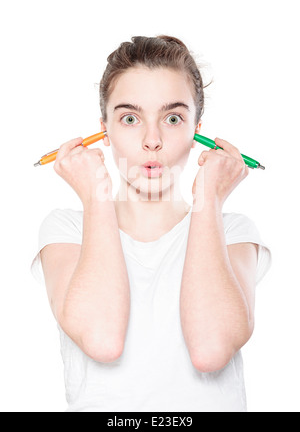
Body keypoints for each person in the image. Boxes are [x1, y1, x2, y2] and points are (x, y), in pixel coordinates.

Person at [31, 35, 271, 412]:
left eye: (173, 118)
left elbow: (210, 350)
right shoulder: (65, 231)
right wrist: (95, 194)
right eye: (130, 118)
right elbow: (103, 339)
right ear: (104, 130)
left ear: (197, 131)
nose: (152, 140)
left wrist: (209, 198)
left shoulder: (234, 232)